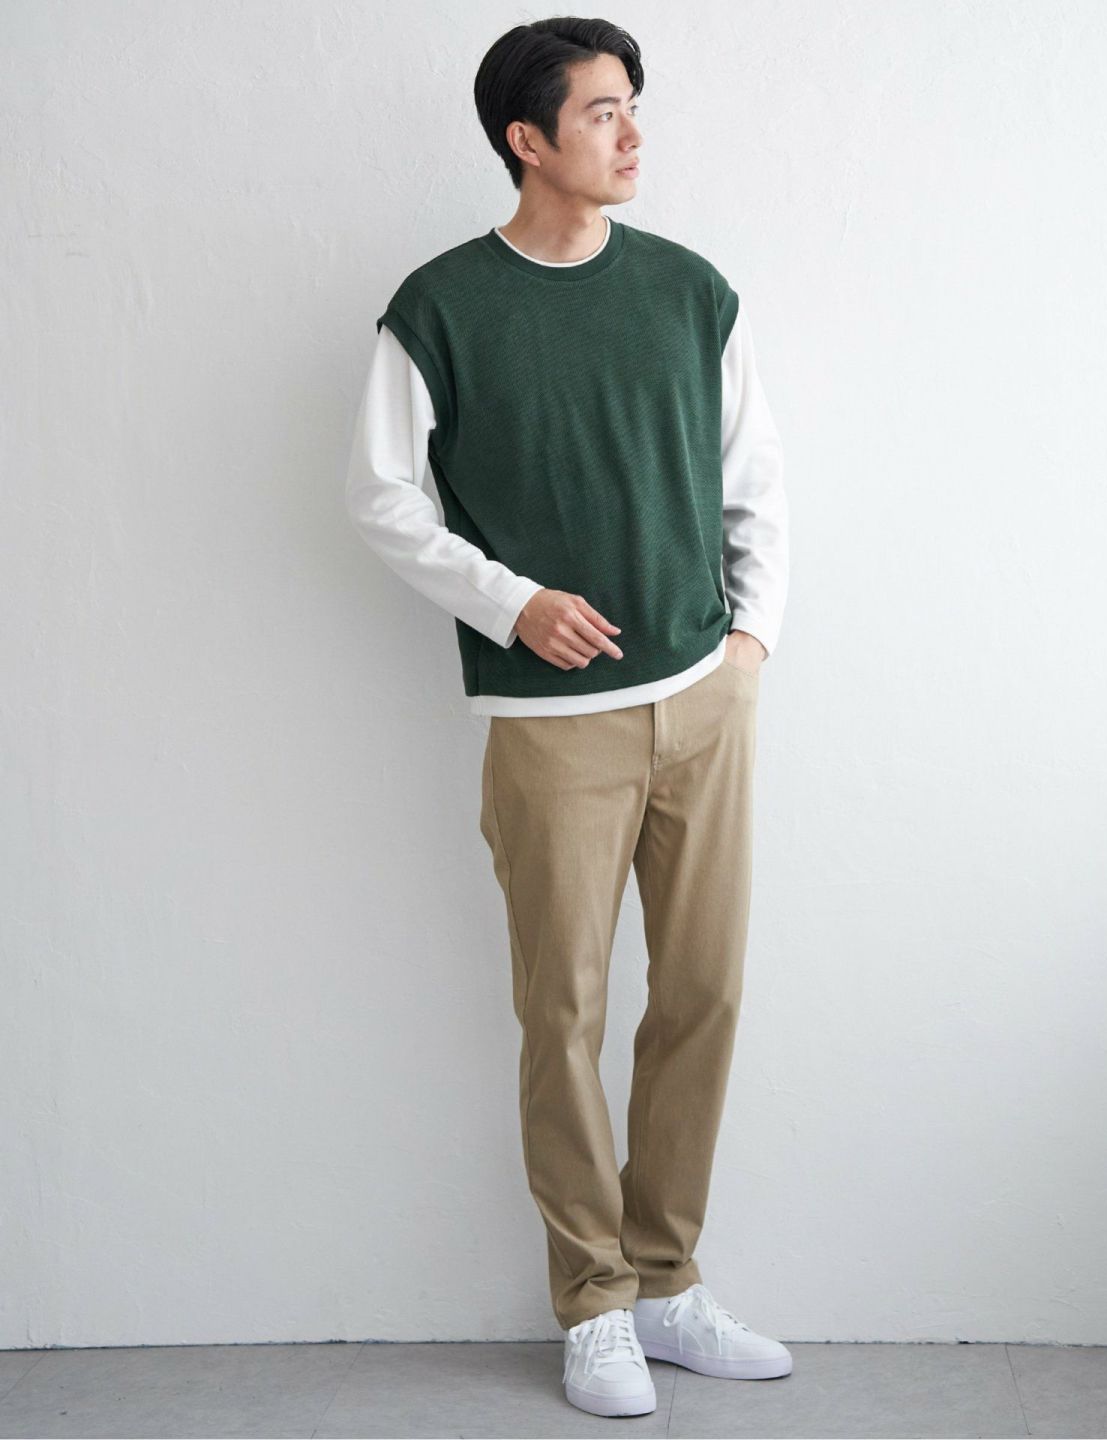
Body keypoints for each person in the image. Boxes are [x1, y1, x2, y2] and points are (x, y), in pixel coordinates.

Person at [344, 16, 791, 1419]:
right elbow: (379, 498)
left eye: (633, 104)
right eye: (603, 111)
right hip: (551, 725)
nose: (633, 131)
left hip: (704, 701)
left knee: (705, 994)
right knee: (565, 1011)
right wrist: (511, 601)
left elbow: (754, 480)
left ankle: (666, 1282)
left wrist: (751, 644)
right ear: (526, 139)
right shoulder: (440, 308)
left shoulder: (691, 291)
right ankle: (592, 1301)